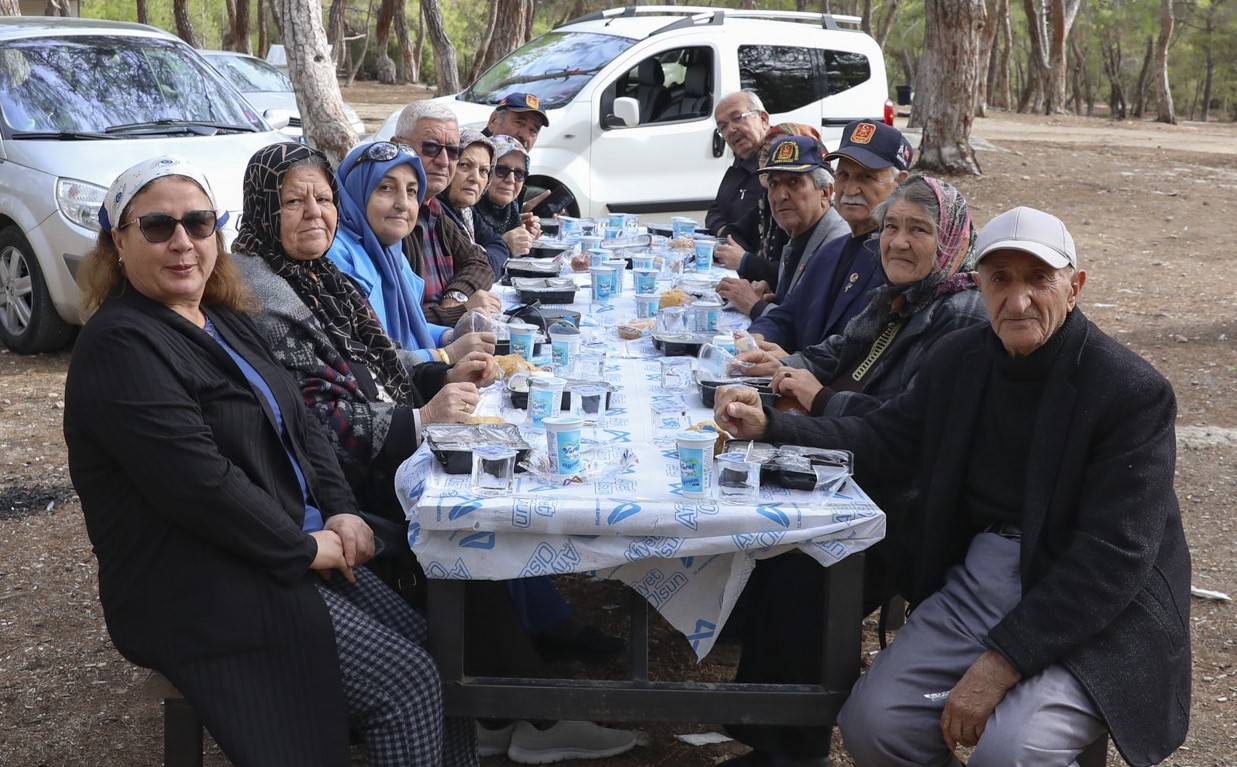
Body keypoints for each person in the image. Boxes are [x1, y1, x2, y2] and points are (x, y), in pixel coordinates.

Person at [715, 207, 1191, 767]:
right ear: (979, 284)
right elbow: (884, 438)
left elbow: (1115, 554)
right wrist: (776, 426)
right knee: (875, 724)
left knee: (1011, 749)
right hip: (986, 570)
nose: (1017, 302)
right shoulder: (962, 358)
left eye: (1039, 279)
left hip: (1095, 596)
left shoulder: (1131, 391)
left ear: (1075, 286)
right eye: (1000, 279)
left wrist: (1002, 661)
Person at [64, 155, 477, 767]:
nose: (182, 242)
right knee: (405, 682)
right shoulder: (121, 345)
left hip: (280, 545)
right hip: (199, 578)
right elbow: (199, 485)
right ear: (117, 243)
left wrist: (339, 510)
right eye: (157, 226)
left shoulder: (224, 317)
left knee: (436, 650)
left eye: (199, 224)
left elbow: (304, 424)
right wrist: (304, 548)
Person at [716, 175, 989, 767]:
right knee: (763, 529)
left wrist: (815, 402)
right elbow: (839, 350)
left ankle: (792, 747)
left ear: (951, 241)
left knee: (800, 563)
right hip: (859, 461)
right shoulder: (899, 296)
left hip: (913, 504)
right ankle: (772, 731)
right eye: (892, 228)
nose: (897, 242)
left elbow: (903, 432)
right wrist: (782, 364)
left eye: (918, 230)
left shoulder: (962, 317)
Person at [232, 141, 496, 558]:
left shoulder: (316, 271)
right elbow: (312, 413)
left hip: (382, 446)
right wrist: (422, 417)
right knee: (482, 499)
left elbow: (376, 355)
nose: (314, 212)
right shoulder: (259, 291)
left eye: (322, 198)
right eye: (293, 201)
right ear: (263, 207)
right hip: (346, 486)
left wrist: (441, 372)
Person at [744, 120, 912, 355]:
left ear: (900, 183)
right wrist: (756, 340)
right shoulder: (832, 251)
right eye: (843, 174)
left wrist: (791, 364)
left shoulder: (900, 260)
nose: (850, 189)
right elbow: (787, 316)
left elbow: (858, 353)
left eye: (866, 177)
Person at [327, 138, 496, 363]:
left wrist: (449, 335)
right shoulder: (336, 259)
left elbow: (408, 324)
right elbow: (367, 360)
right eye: (386, 188)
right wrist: (447, 354)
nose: (404, 204)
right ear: (357, 192)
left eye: (411, 191)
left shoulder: (391, 254)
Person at [391, 100, 502, 324]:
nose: (443, 161)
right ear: (397, 146)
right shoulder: (388, 217)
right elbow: (393, 322)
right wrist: (458, 312)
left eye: (453, 151)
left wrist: (455, 297)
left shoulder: (433, 209)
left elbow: (480, 263)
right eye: (431, 147)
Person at [716, 133, 849, 320]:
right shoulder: (799, 232)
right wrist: (775, 299)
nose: (779, 196)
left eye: (794, 182)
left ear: (826, 192)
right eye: (773, 184)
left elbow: (807, 329)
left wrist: (754, 305)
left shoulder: (836, 245)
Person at [437, 128, 513, 278]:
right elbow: (483, 267)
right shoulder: (436, 211)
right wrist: (484, 254)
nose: (475, 178)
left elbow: (499, 245)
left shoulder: (467, 212)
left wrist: (485, 253)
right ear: (447, 166)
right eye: (464, 165)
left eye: (484, 171)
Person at [707, 90, 771, 238]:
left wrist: (730, 237)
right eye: (722, 127)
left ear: (763, 119)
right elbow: (715, 212)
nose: (730, 130)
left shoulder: (778, 166)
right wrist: (724, 232)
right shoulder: (742, 162)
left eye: (737, 118)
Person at [474, 134, 542, 258]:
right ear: (484, 170)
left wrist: (523, 233)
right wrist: (503, 245)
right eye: (501, 170)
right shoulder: (465, 211)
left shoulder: (511, 212)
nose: (511, 180)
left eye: (519, 173)